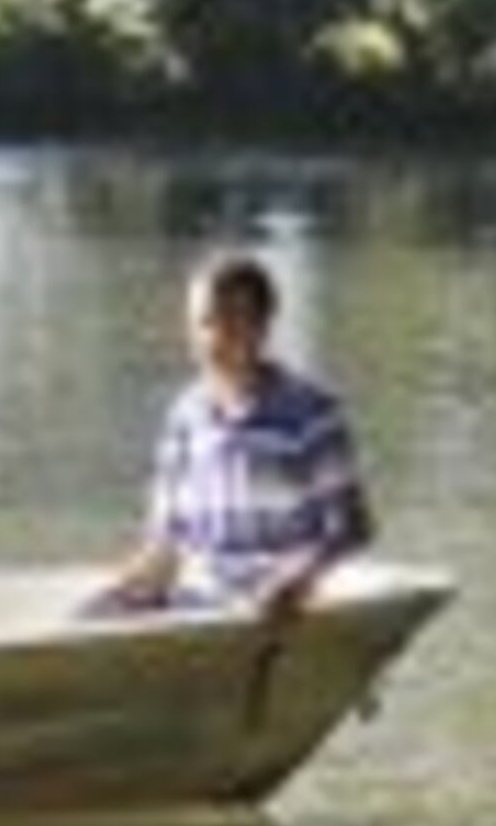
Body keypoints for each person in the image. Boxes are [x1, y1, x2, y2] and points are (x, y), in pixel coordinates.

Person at [88, 247, 375, 616]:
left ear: (261, 325)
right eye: (200, 323)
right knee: (93, 613)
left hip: (271, 602)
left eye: (224, 322)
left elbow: (352, 527)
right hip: (194, 599)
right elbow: (166, 539)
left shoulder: (312, 414)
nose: (208, 338)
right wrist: (127, 584)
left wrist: (299, 578)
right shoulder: (185, 415)